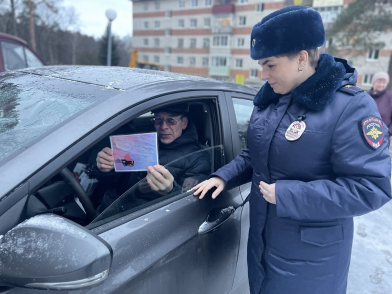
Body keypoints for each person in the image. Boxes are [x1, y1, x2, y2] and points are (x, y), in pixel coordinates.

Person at [193, 5, 391, 294]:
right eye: (260, 65)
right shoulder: (271, 101)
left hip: (313, 261)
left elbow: (371, 187)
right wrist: (223, 176)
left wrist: (288, 194)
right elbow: (256, 156)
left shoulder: (350, 106)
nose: (263, 74)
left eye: (270, 64)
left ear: (301, 58)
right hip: (263, 243)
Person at [90, 103, 210, 212]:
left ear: (184, 123)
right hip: (107, 210)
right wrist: (105, 169)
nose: (163, 127)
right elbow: (112, 182)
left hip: (143, 220)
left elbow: (190, 206)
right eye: (158, 120)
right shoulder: (138, 141)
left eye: (171, 120)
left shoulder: (197, 158)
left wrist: (170, 190)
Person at [368, 72, 392, 139]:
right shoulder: (365, 96)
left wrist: (388, 133)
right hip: (364, 136)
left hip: (383, 137)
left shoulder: (390, 97)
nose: (381, 85)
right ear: (373, 83)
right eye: (379, 82)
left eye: (384, 83)